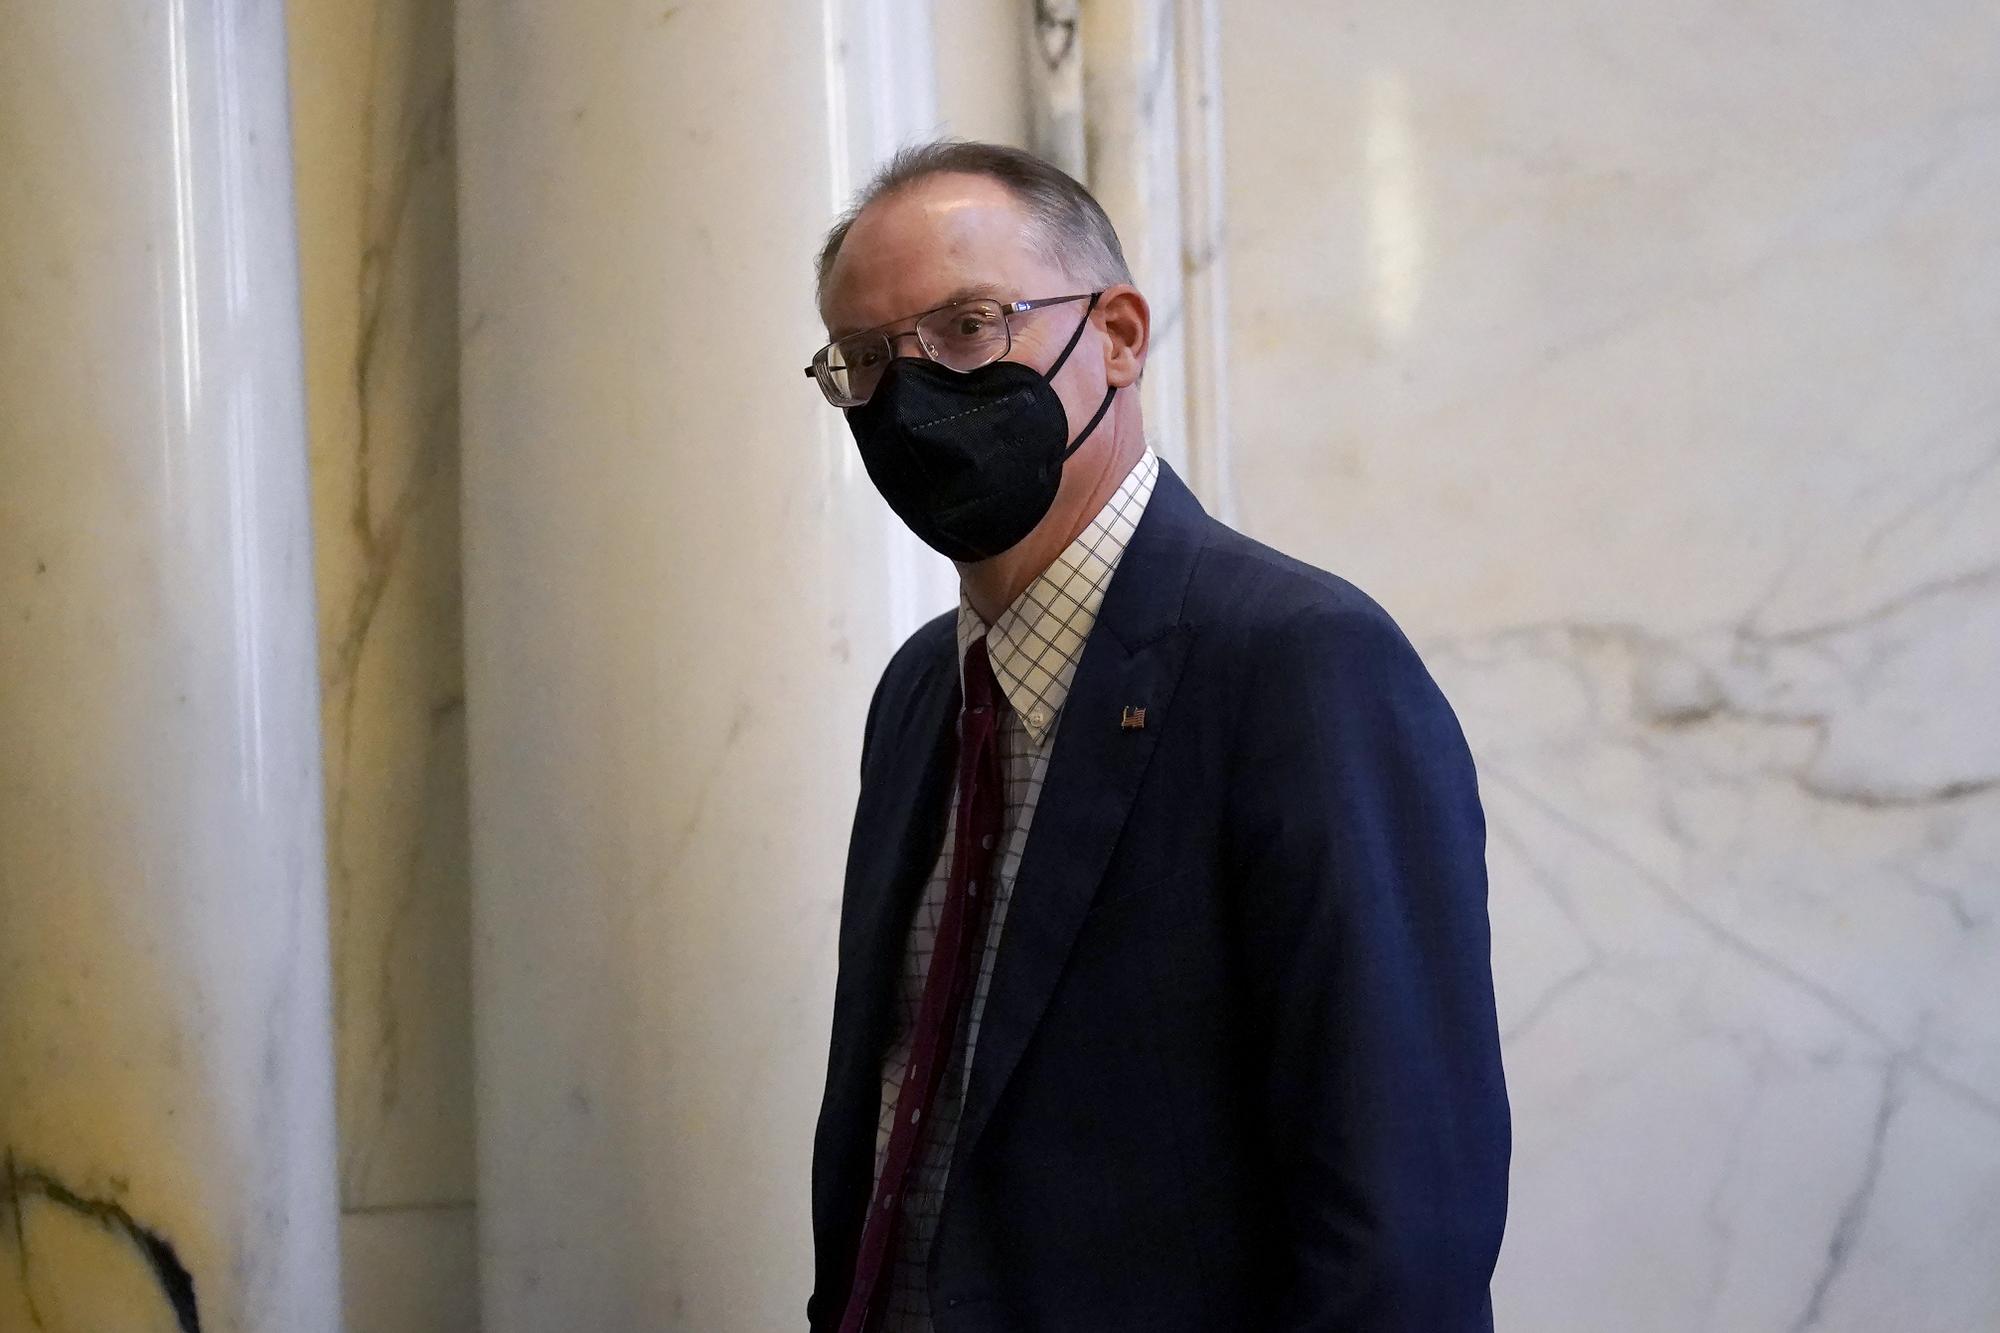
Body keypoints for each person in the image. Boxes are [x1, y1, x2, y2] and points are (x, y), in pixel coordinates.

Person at [802, 139, 1510, 1333]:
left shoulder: (1293, 661)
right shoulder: (919, 692)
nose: (912, 393)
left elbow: (1397, 1221)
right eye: (867, 361)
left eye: (969, 327)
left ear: (1118, 336)